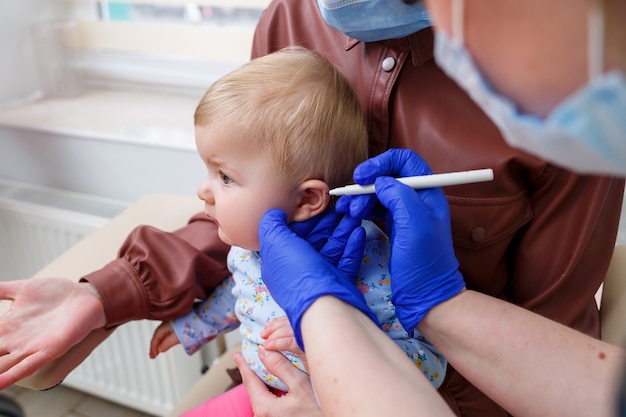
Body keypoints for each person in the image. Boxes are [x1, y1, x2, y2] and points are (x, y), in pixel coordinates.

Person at [0, 0, 622, 416]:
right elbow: (244, 229)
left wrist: (363, 372)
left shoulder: (559, 73)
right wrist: (110, 296)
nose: (203, 188)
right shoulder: (289, 23)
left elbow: (549, 350)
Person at [146, 46, 445, 416]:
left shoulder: (371, 261)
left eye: (225, 176)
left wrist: (327, 343)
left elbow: (430, 369)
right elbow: (241, 294)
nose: (203, 191)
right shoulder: (246, 248)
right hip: (254, 395)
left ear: (306, 199)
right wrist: (194, 326)